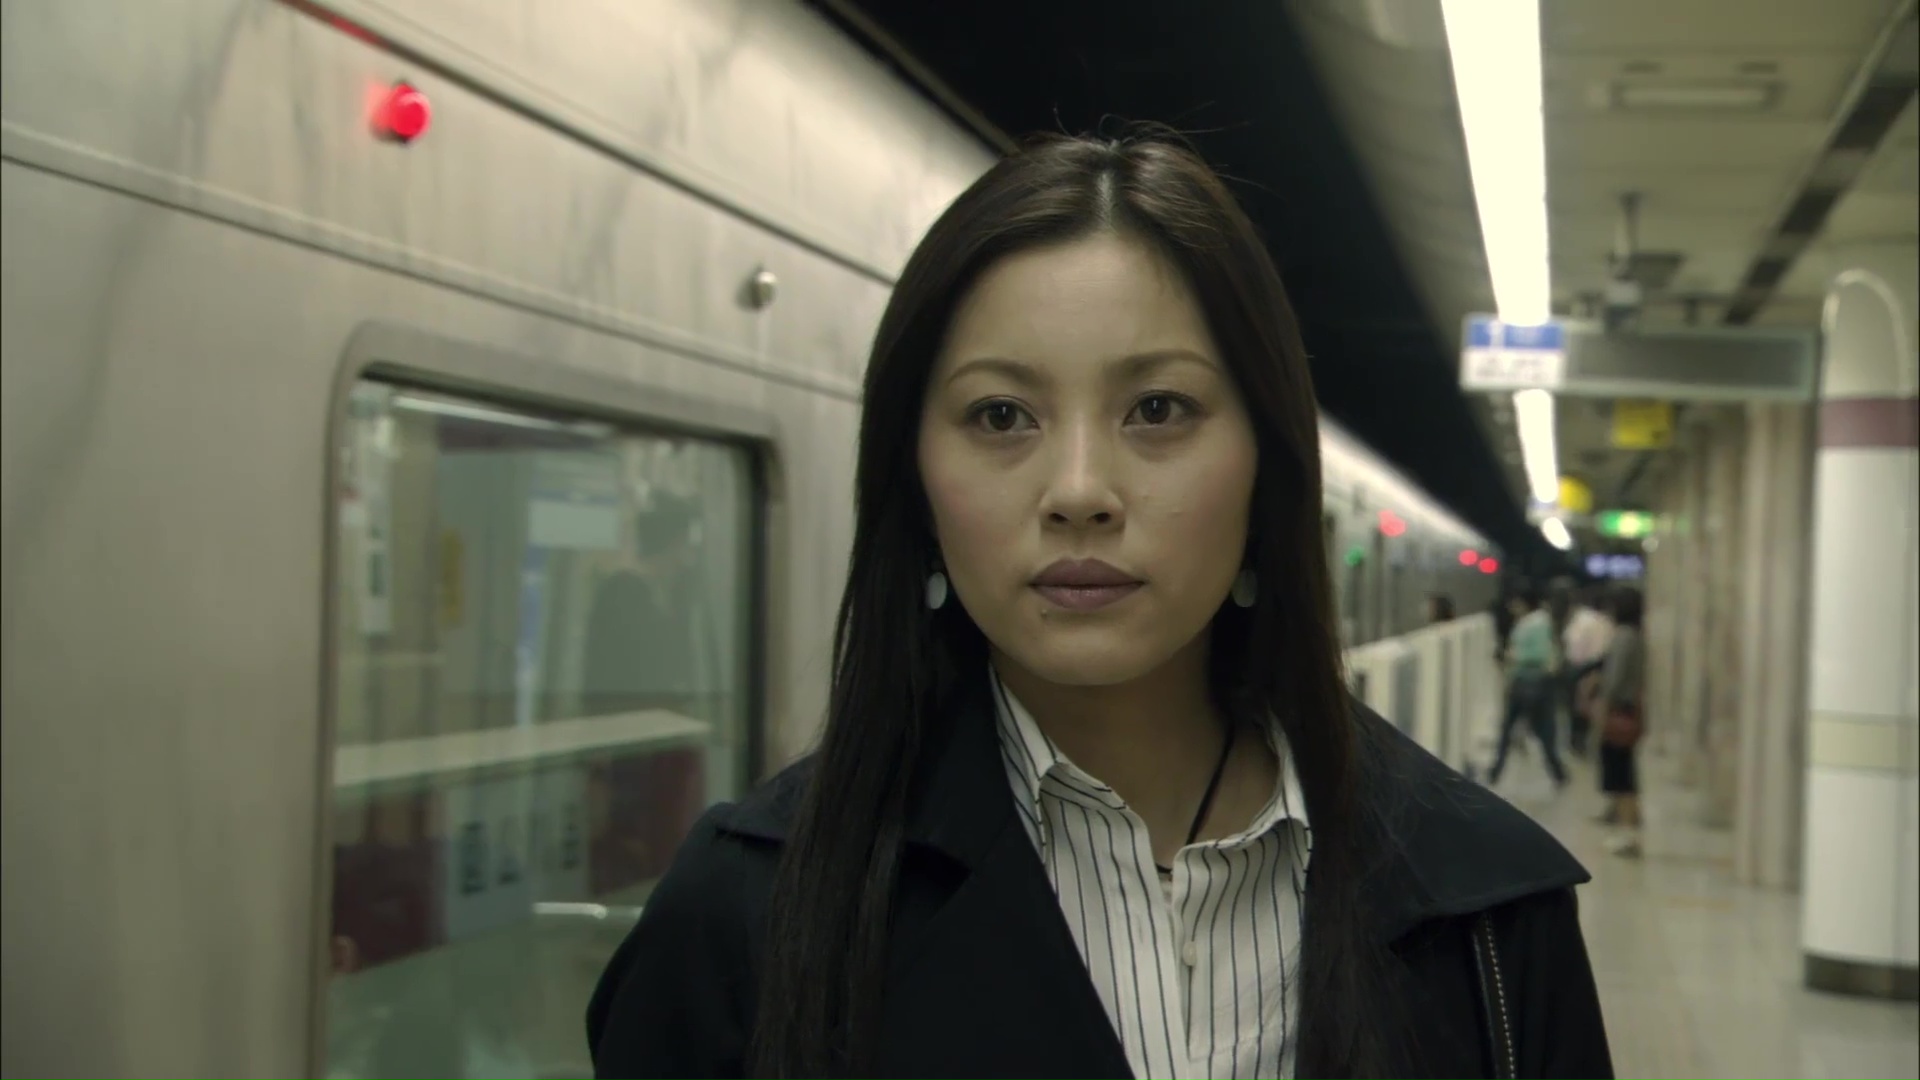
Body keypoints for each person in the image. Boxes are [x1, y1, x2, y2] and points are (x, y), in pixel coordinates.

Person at [586, 132, 1609, 1080]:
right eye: (1000, 415)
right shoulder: (745, 916)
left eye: (1158, 410)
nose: (1079, 490)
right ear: (915, 481)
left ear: (1267, 470)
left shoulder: (1487, 915)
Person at [1488, 585, 1569, 789]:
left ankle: (1496, 771)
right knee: (1543, 731)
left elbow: (1538, 654)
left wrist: (1512, 657)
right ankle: (1558, 773)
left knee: (1512, 729)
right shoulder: (1539, 621)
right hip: (1534, 682)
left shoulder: (1535, 623)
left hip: (1528, 682)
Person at [1594, 586, 1647, 857]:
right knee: (1625, 770)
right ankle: (1627, 827)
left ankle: (1628, 835)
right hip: (1629, 711)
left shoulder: (1624, 637)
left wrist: (1603, 707)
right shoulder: (1636, 635)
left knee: (1621, 774)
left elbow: (1614, 679)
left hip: (1619, 712)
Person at [1561, 585, 1616, 756]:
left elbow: (1570, 641)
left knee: (1575, 706)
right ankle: (1587, 739)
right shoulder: (1607, 622)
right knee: (1590, 706)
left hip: (1578, 666)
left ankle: (1576, 740)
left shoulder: (1581, 619)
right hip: (1599, 666)